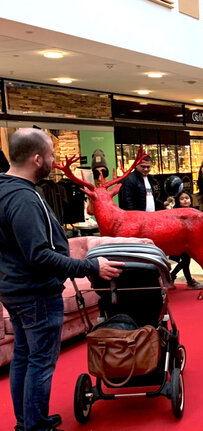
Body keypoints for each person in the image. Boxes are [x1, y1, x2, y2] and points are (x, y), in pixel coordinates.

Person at [0, 128, 124, 431]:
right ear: (36, 158)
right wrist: (91, 266)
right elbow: (39, 256)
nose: (54, 161)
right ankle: (36, 426)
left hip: (14, 289)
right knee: (40, 361)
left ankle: (29, 421)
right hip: (35, 293)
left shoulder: (6, 189)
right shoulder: (23, 199)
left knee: (24, 356)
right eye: (51, 155)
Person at [168, 191, 203, 290]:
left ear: (190, 200)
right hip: (180, 241)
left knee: (186, 260)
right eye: (182, 199)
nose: (185, 200)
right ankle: (188, 280)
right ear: (178, 201)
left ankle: (173, 277)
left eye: (187, 198)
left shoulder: (194, 211)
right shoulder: (176, 212)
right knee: (186, 260)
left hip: (190, 240)